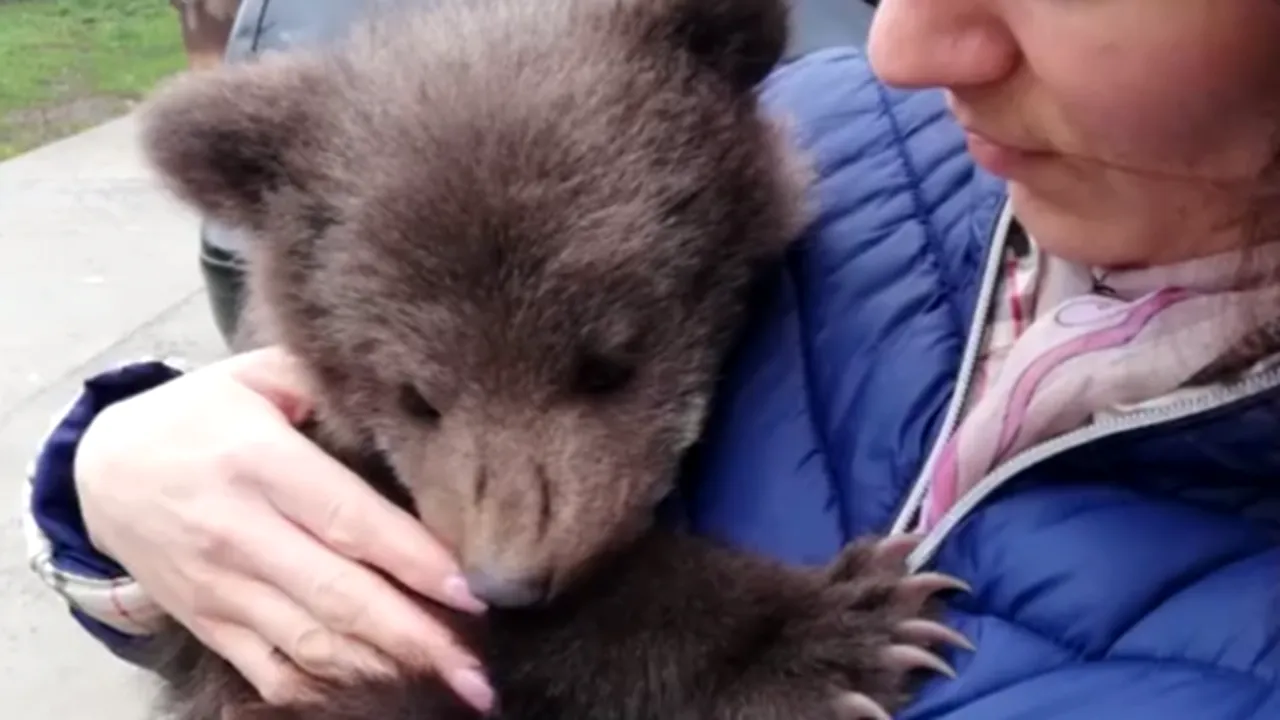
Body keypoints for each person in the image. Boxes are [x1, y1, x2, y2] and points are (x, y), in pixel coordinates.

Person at [22, 0, 1280, 717]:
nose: (507, 551)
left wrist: (736, 648)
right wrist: (116, 481)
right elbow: (268, 591)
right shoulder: (861, 141)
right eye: (422, 401)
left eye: (605, 372)